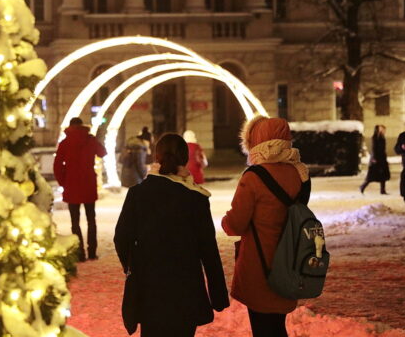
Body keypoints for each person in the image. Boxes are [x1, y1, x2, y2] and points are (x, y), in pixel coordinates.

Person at [114, 133, 229, 337]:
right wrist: (218, 295)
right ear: (185, 158)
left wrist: (131, 266)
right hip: (186, 288)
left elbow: (121, 237)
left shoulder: (138, 194)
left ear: (157, 157)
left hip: (149, 288)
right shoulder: (195, 198)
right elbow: (208, 250)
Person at [221, 116, 311, 337]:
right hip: (289, 261)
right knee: (277, 326)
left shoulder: (253, 177)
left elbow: (235, 224)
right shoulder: (300, 174)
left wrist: (225, 220)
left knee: (262, 327)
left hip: (259, 266)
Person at [54, 117, 108, 261]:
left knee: (75, 221)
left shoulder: (65, 143)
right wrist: (94, 140)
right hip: (88, 184)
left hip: (72, 185)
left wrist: (63, 182)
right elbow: (103, 152)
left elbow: (57, 166)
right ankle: (92, 252)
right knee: (91, 219)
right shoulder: (90, 140)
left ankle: (80, 253)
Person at [360, 125, 390, 194]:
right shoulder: (375, 137)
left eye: (384, 129)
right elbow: (374, 148)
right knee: (371, 176)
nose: (384, 131)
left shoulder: (382, 137)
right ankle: (362, 186)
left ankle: (383, 190)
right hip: (376, 159)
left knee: (383, 175)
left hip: (382, 158)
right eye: (382, 129)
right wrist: (374, 158)